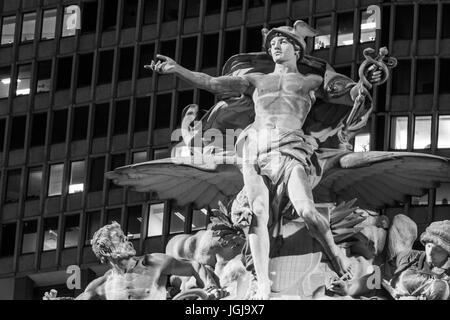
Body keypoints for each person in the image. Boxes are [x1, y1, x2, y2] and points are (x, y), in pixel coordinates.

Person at [148, 21, 383, 299]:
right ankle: (262, 282)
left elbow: (353, 93)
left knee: (307, 211)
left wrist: (368, 78)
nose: (274, 47)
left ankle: (336, 258)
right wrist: (177, 69)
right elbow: (212, 83)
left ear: (296, 48)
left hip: (290, 148)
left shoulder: (313, 81)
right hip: (256, 147)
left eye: (281, 42)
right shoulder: (256, 80)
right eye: (271, 44)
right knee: (257, 213)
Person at [43, 222, 220, 300]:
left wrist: (210, 287)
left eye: (124, 237)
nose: (127, 241)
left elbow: (193, 266)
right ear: (107, 253)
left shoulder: (152, 262)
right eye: (119, 240)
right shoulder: (101, 285)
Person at [390, 220, 450, 300]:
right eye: (428, 246)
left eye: (438, 249)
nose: (430, 253)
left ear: (448, 252)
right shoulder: (410, 257)